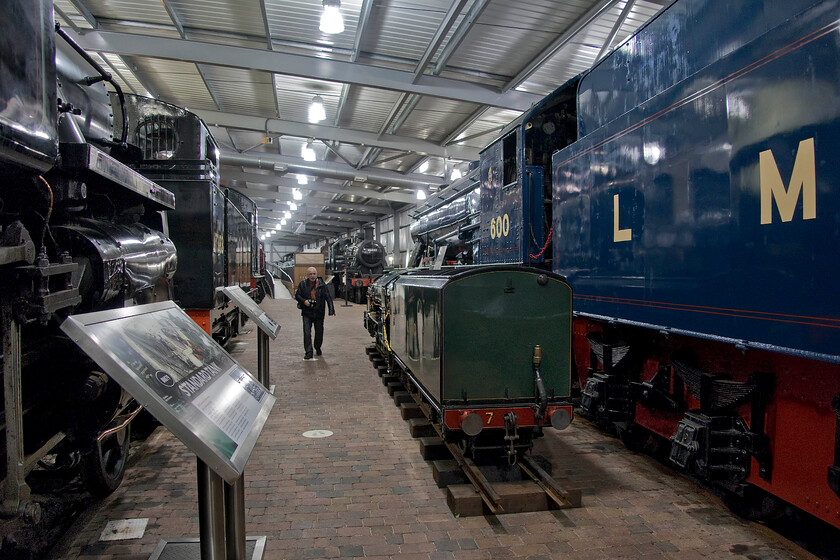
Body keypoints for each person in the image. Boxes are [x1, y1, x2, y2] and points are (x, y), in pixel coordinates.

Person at [294, 267, 335, 359]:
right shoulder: (303, 284)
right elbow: (297, 296)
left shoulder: (322, 285)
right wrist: (304, 301)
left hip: (319, 312)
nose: (312, 276)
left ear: (316, 274)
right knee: (307, 332)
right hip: (307, 312)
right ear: (307, 275)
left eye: (314, 274)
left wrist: (331, 308)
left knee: (319, 332)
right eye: (310, 274)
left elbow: (328, 297)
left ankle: (317, 346)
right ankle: (308, 351)